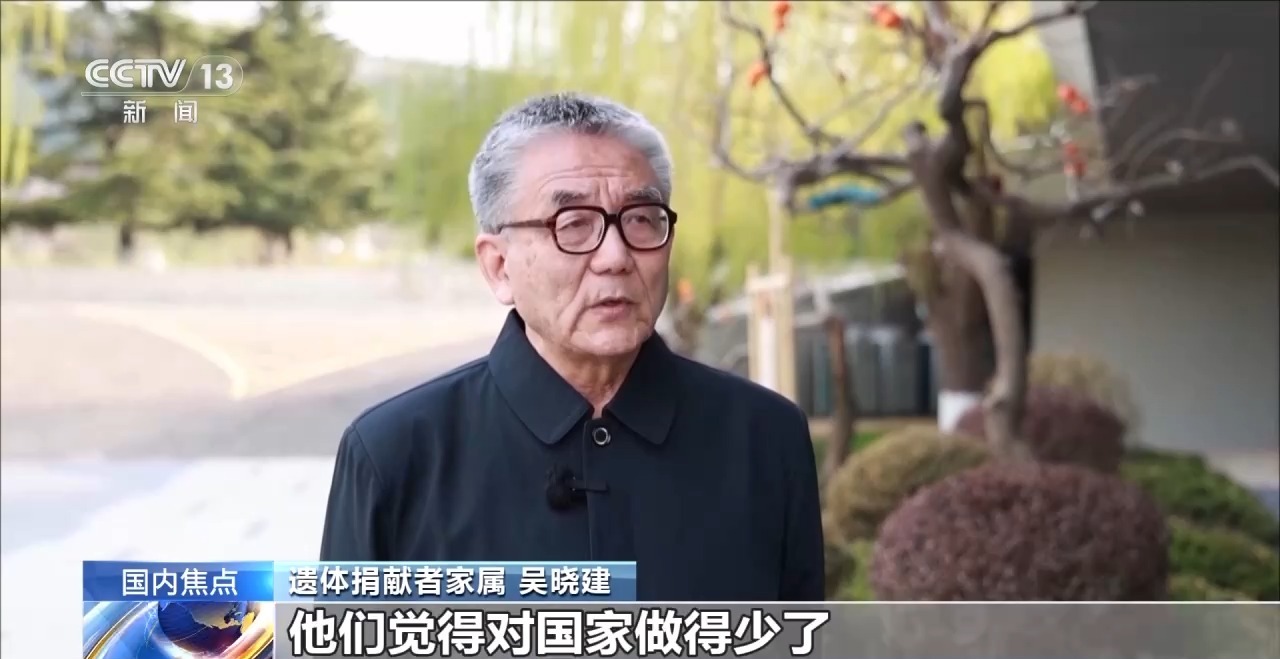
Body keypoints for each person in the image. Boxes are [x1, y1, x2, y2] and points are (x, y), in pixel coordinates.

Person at [319, 92, 824, 602]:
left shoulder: (765, 438)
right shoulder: (394, 456)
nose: (615, 256)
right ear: (499, 266)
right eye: (574, 224)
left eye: (640, 218)